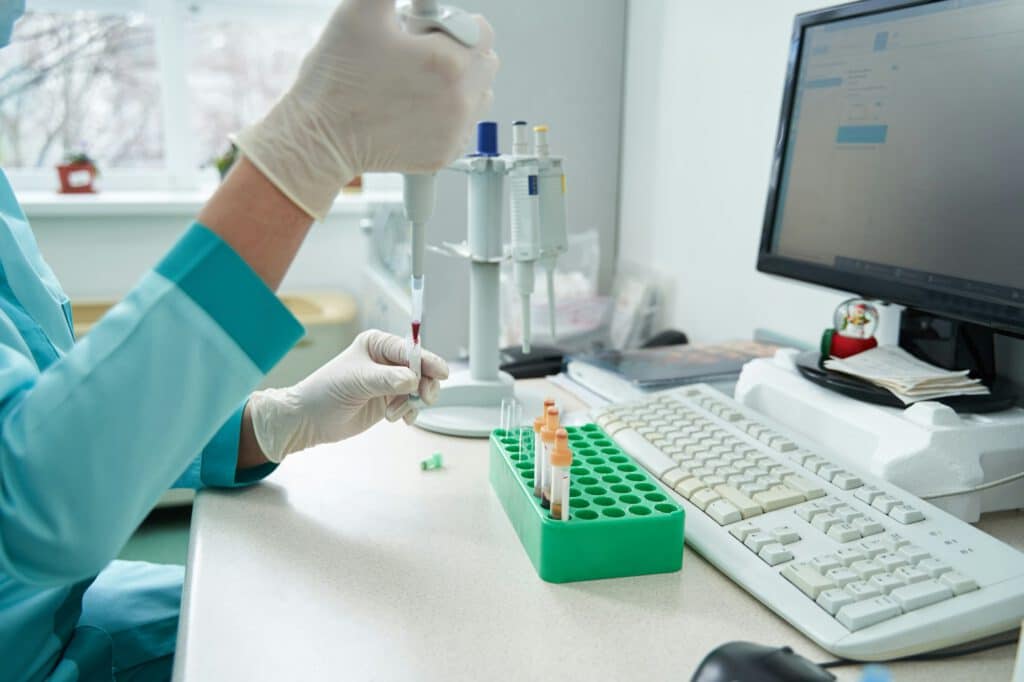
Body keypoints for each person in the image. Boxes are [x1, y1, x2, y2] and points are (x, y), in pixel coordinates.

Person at [0, 0, 498, 679]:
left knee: (323, 615)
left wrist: (273, 420)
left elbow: (59, 421)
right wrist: (309, 143)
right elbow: (37, 502)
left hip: (48, 620)